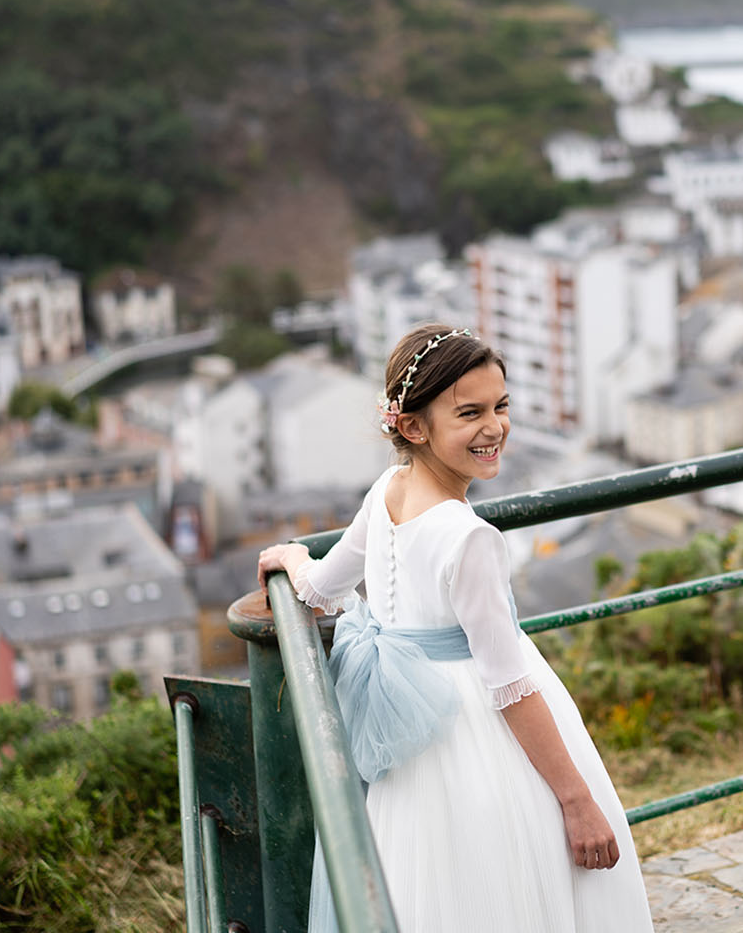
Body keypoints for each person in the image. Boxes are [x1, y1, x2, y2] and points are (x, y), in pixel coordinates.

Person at [256, 323, 653, 933]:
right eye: (469, 413)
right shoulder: (470, 539)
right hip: (472, 729)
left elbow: (320, 589)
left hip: (409, 740)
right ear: (413, 426)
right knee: (507, 884)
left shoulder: (387, 491)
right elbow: (511, 689)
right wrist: (576, 800)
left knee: (426, 889)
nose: (494, 427)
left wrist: (292, 558)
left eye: (501, 406)